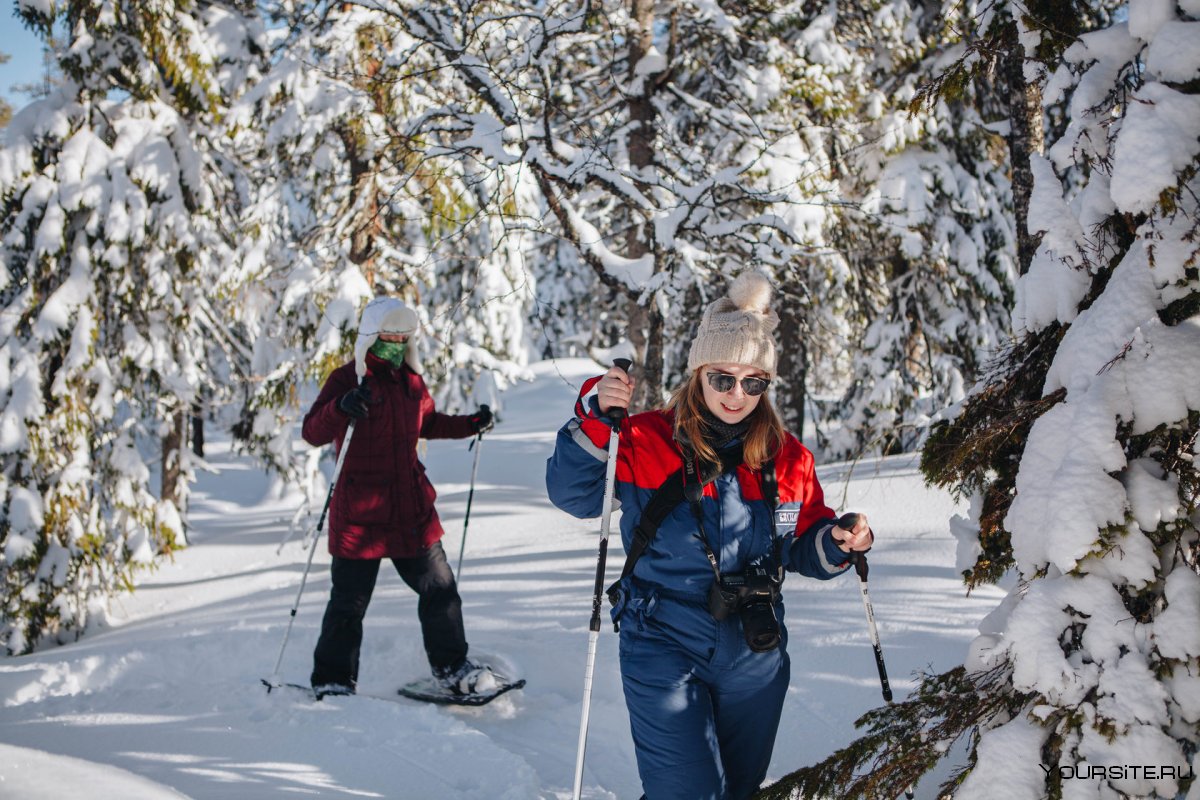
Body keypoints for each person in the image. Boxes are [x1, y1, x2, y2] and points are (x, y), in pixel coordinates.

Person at [545, 272, 874, 800]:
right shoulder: (643, 438)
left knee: (737, 791)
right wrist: (594, 419)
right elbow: (573, 495)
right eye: (722, 378)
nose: (736, 394)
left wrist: (837, 541)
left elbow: (800, 543)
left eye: (753, 382)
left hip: (756, 650)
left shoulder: (788, 457)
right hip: (662, 636)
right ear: (698, 373)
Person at [301, 295, 496, 698]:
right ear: (370, 337)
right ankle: (333, 682)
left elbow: (429, 422)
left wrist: (471, 424)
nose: (395, 342)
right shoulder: (345, 381)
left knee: (440, 590)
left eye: (402, 336)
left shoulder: (411, 383)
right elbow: (313, 432)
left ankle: (452, 670)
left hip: (411, 510)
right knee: (348, 605)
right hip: (360, 515)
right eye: (388, 335)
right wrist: (341, 406)